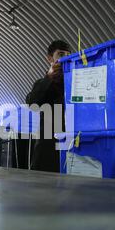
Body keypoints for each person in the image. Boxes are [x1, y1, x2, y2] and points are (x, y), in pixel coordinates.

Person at [26, 40, 71, 173]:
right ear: (50, 59)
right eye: (61, 54)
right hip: (47, 152)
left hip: (70, 149)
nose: (66, 58)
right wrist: (49, 78)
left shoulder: (75, 84)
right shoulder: (42, 84)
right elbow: (32, 103)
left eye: (68, 55)